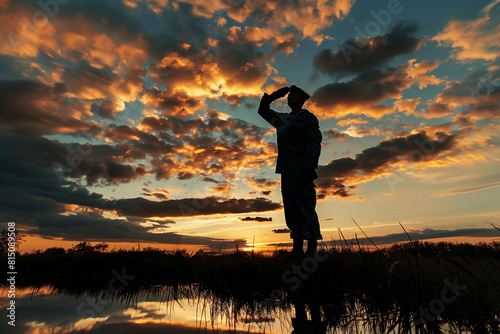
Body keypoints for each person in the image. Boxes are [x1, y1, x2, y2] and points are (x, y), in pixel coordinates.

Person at [258, 85, 322, 257]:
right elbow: (263, 111)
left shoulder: (308, 118)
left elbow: (313, 142)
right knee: (291, 208)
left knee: (305, 207)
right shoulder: (282, 119)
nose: (289, 97)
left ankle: (312, 249)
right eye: (288, 95)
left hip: (302, 170)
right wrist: (272, 97)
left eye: (293, 95)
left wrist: (310, 166)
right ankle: (297, 249)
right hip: (286, 171)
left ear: (302, 99)